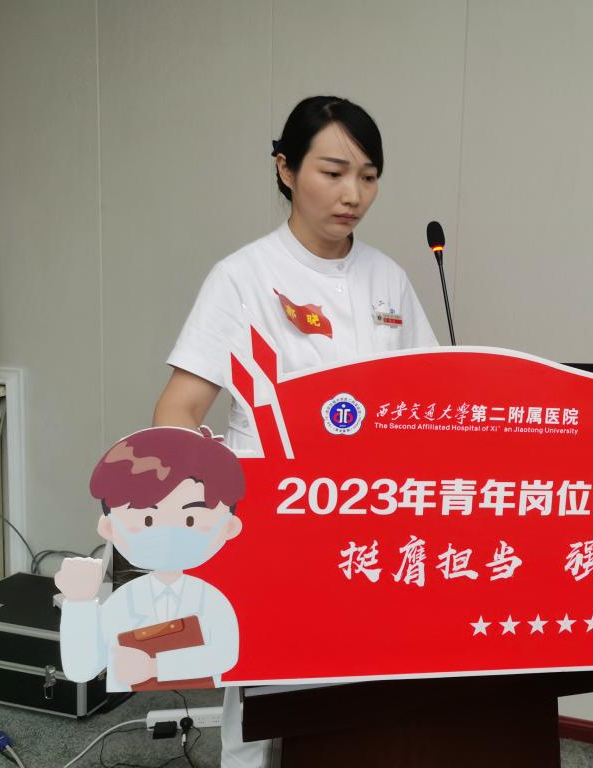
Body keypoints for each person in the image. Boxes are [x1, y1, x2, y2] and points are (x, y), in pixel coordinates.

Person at [153, 96, 438, 768]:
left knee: (364, 699)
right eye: (333, 173)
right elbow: (178, 411)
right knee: (263, 701)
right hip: (274, 519)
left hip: (372, 518)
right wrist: (209, 513)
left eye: (368, 176)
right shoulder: (243, 278)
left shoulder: (389, 278)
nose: (353, 195)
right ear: (285, 169)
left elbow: (428, 401)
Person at [55, 426, 245, 691]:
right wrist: (79, 603)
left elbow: (224, 656)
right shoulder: (123, 601)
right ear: (109, 528)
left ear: (230, 527)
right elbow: (83, 668)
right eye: (147, 519)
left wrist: (155, 667)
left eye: (190, 519)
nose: (169, 534)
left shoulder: (212, 600)